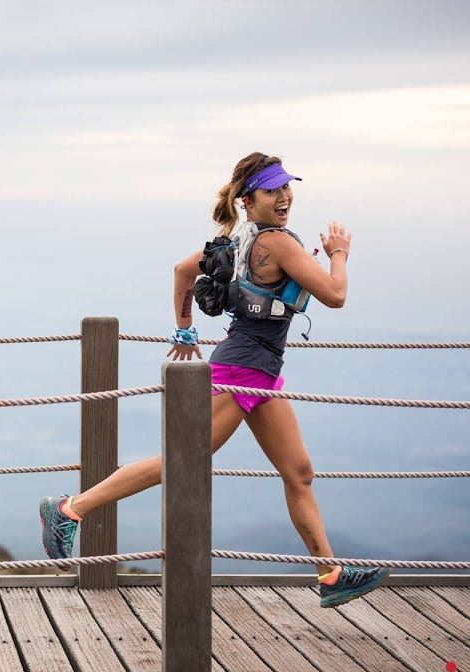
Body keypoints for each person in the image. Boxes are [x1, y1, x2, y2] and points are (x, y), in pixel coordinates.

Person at [38, 152, 389, 608]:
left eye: (287, 187)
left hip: (259, 373)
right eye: (272, 190)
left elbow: (183, 271)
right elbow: (335, 295)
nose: (284, 197)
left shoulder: (240, 238)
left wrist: (185, 329)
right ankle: (69, 510)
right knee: (179, 460)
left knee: (298, 473)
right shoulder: (278, 243)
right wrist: (339, 255)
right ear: (248, 199)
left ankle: (330, 574)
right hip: (241, 371)